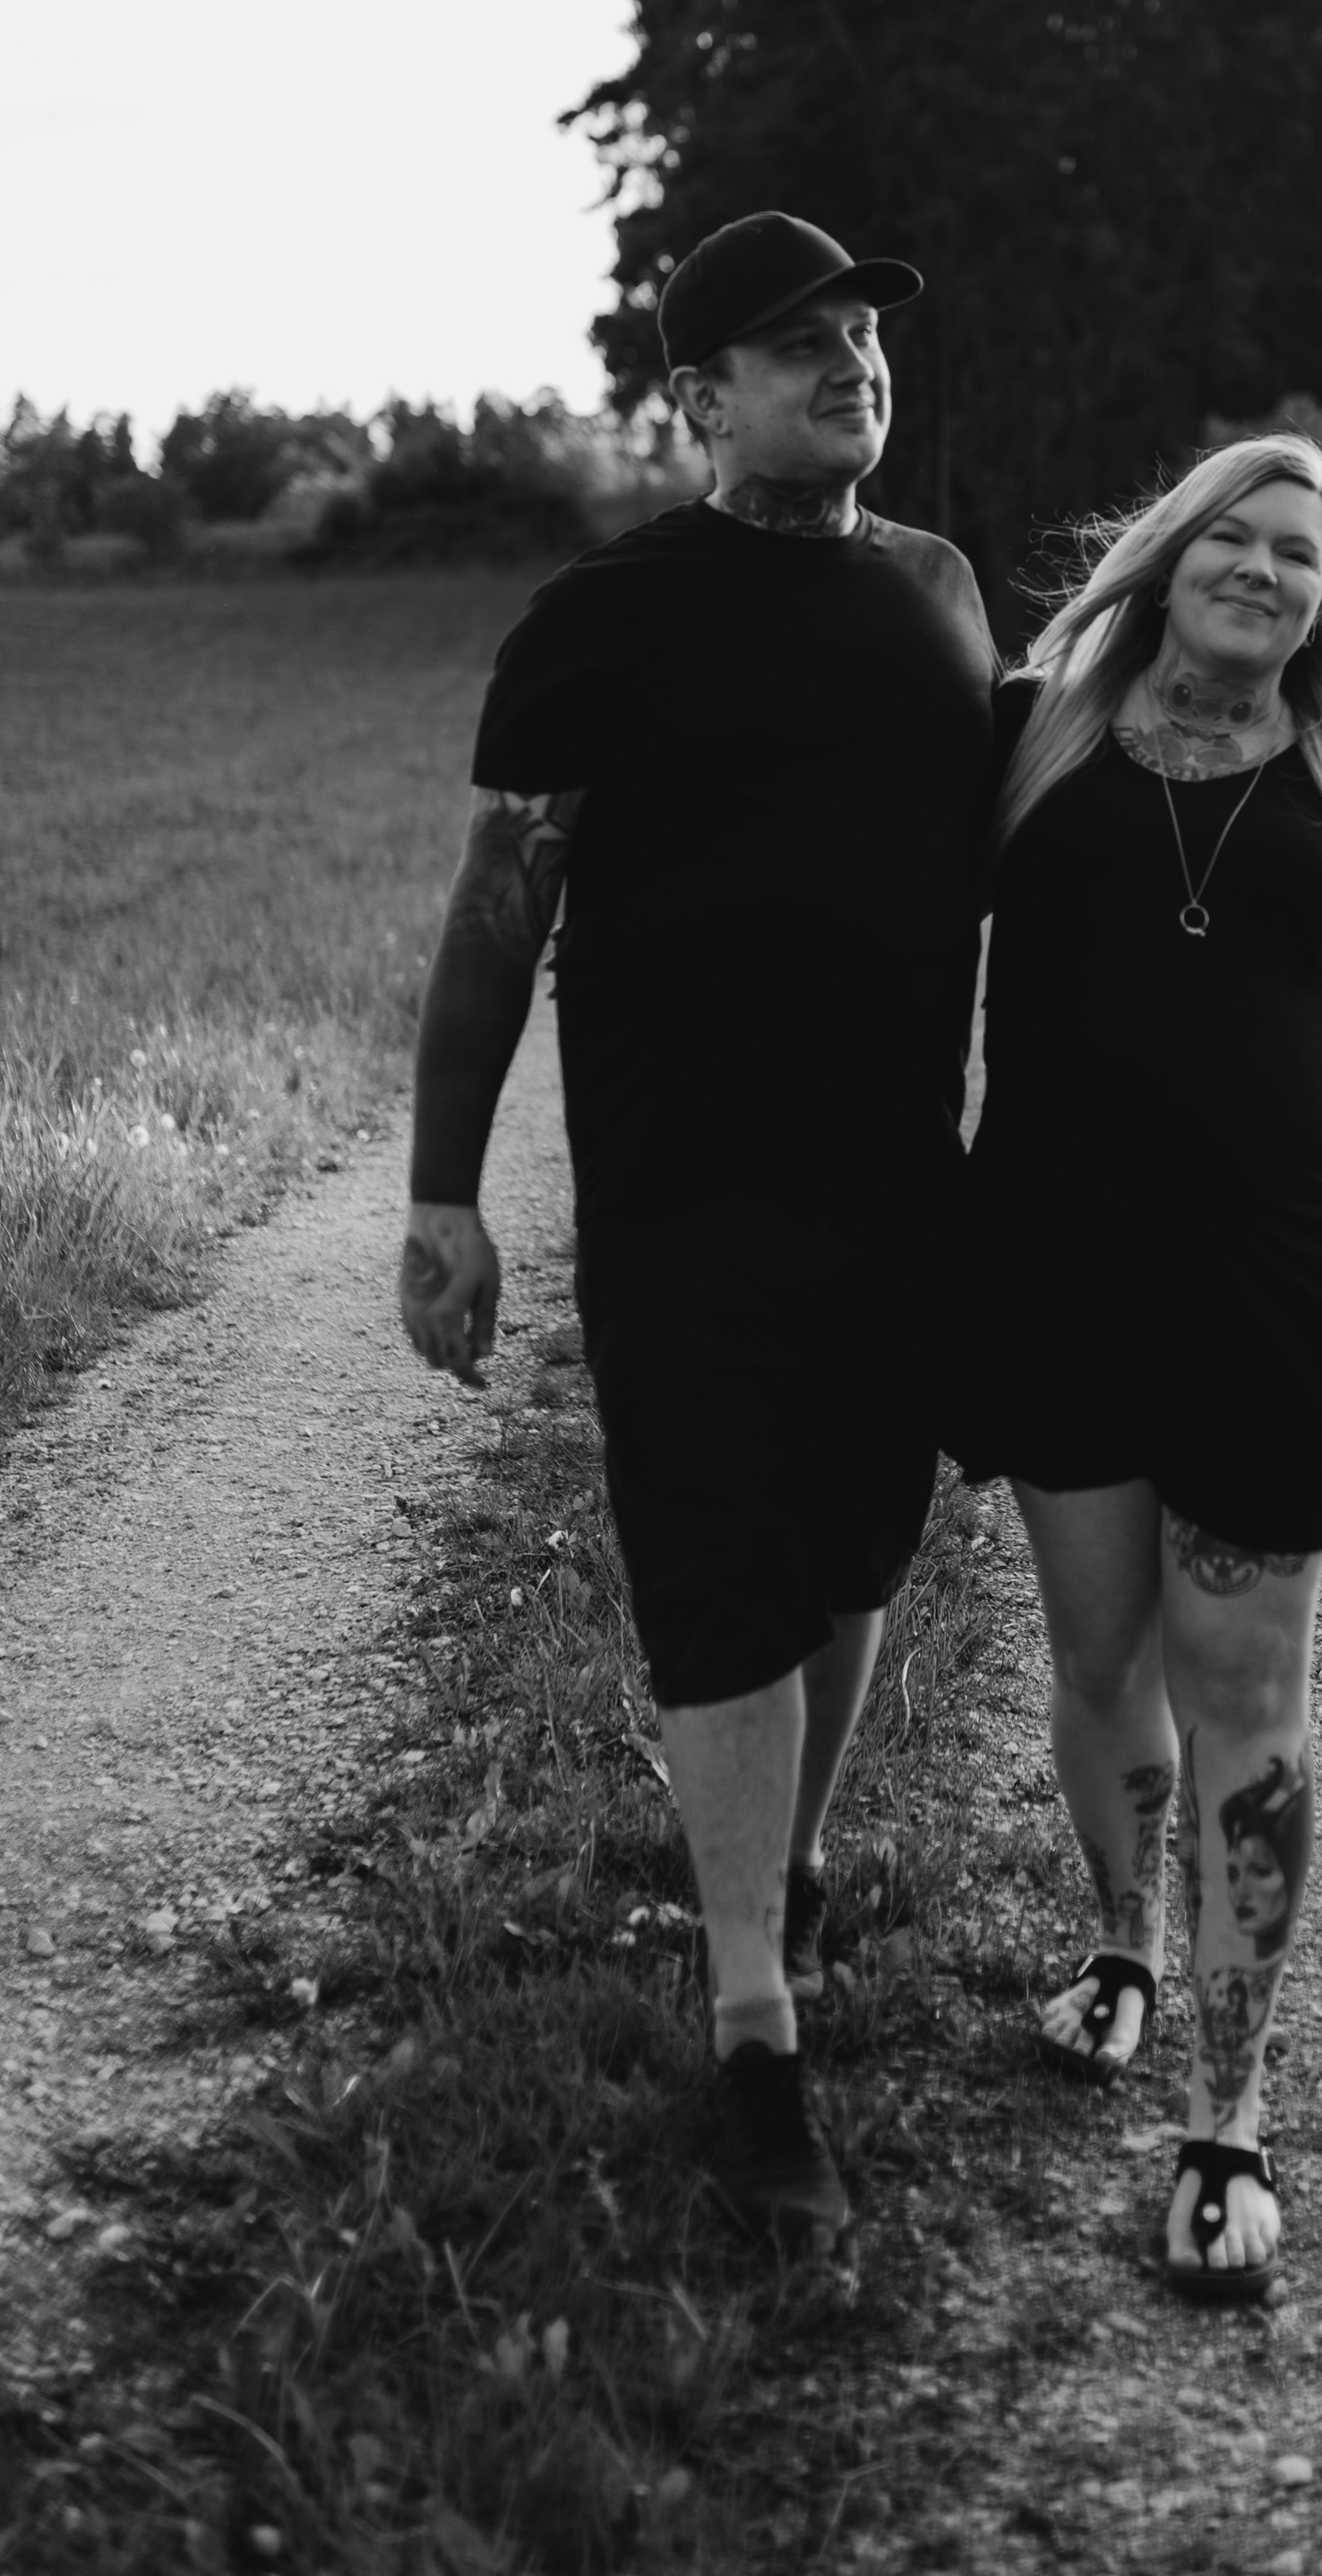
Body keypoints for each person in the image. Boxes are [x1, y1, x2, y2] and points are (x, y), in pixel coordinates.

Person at [397, 211, 995, 2253]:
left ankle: (792, 1868)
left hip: (898, 1190)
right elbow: (500, 911)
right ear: (694, 399)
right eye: (796, 343)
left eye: (860, 337)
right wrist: (442, 1194)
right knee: (727, 1579)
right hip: (683, 1198)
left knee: (854, 1553)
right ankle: (753, 2026)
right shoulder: (602, 617)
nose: (849, 365)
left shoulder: (936, 594)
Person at [956, 430, 1322, 2305]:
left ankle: (1226, 2115)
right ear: (1168, 558)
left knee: (1244, 1690)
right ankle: (1120, 1947)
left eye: (1302, 557)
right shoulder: (1031, 743)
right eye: (1236, 541)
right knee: (1098, 1656)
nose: (1265, 573)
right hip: (1049, 1269)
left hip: (1276, 1292)